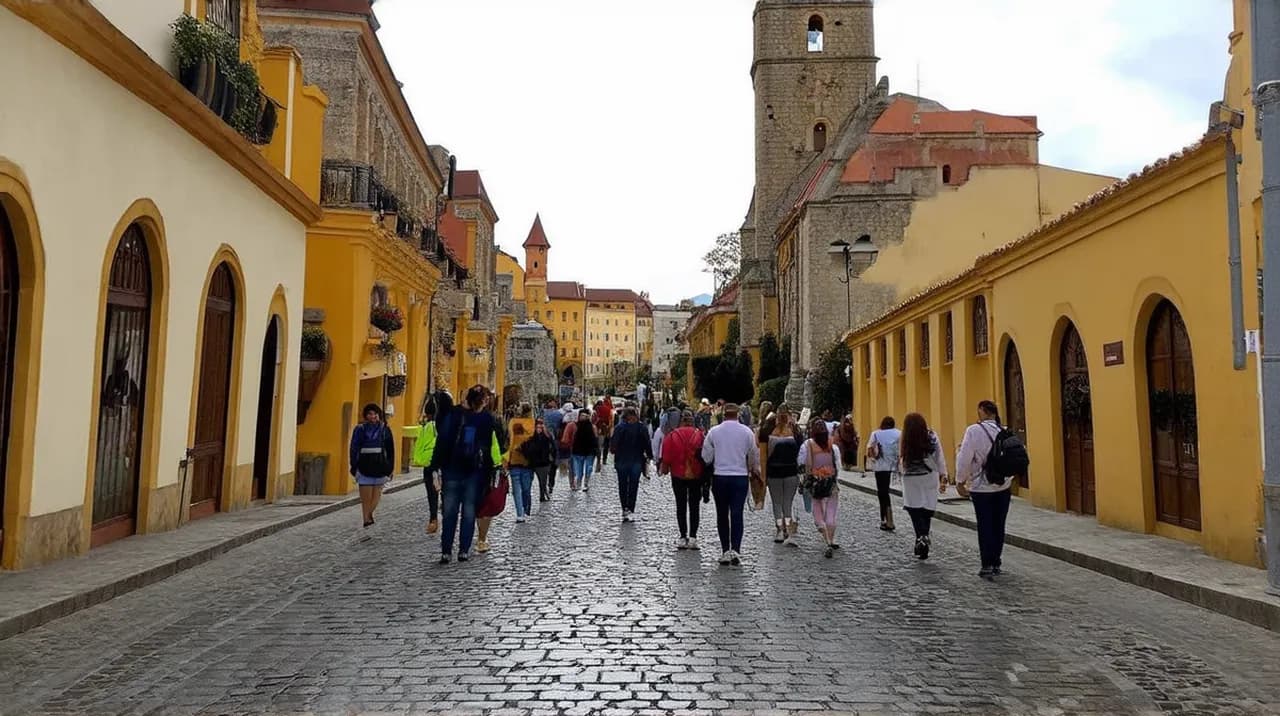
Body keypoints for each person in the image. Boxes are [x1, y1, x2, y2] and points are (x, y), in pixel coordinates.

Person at [431, 385, 501, 563]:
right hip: (473, 471)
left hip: (452, 468)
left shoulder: (454, 415)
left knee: (450, 511)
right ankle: (463, 550)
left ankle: (446, 551)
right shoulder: (486, 418)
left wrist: (435, 466)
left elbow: (442, 440)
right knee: (468, 510)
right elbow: (492, 444)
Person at [955, 400, 1014, 580]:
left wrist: (960, 481)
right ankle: (996, 561)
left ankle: (987, 563)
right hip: (1003, 486)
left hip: (981, 487)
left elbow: (965, 458)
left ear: (982, 411)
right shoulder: (1004, 431)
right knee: (999, 524)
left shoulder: (973, 431)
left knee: (985, 524)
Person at [701, 403, 761, 566]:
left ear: (723, 414)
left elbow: (706, 456)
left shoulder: (714, 432)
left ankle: (725, 549)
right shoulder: (747, 432)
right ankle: (736, 549)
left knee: (722, 514)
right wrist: (755, 470)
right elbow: (754, 454)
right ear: (738, 415)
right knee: (737, 513)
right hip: (740, 476)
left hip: (720, 476)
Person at [349, 403, 395, 541]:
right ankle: (366, 520)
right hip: (364, 465)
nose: (372, 416)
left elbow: (391, 450)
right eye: (369, 413)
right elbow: (354, 447)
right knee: (365, 498)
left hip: (380, 465)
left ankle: (368, 515)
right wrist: (354, 466)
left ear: (378, 415)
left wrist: (390, 467)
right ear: (365, 415)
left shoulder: (385, 429)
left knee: (376, 496)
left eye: (375, 413)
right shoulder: (360, 429)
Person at [660, 410, 706, 550]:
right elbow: (705, 454)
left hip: (678, 473)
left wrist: (665, 468)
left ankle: (682, 536)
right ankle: (693, 536)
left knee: (680, 505)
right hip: (695, 474)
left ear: (680, 421)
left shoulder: (672, 435)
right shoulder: (700, 435)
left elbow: (666, 456)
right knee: (694, 505)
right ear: (692, 421)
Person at [799, 418, 842, 558]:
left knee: (818, 513)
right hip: (831, 482)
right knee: (831, 513)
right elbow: (838, 464)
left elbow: (800, 462)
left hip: (816, 482)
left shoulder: (808, 445)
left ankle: (827, 541)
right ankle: (832, 538)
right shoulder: (833, 446)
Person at [764, 405, 804, 546]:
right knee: (787, 502)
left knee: (777, 502)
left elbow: (764, 452)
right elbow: (801, 452)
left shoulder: (769, 431)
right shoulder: (795, 432)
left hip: (774, 471)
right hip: (790, 471)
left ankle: (781, 530)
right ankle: (786, 528)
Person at [475, 390, 509, 552]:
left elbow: (502, 442)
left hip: (485, 465)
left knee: (484, 502)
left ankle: (481, 537)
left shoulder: (493, 419)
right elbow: (503, 443)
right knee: (484, 502)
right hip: (484, 465)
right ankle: (481, 538)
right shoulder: (494, 420)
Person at [611, 407, 653, 522]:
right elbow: (647, 443)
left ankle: (624, 508)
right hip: (636, 460)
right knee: (633, 486)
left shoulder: (619, 428)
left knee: (623, 485)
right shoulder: (641, 428)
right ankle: (630, 508)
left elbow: (613, 445)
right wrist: (650, 455)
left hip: (622, 461)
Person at [419, 391, 453, 534]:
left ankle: (433, 520)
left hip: (431, 463)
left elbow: (420, 445)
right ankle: (447, 516)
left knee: (432, 493)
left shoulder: (428, 427)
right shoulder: (453, 422)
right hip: (448, 463)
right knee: (447, 492)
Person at [867, 416, 902, 531]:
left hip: (880, 467)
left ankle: (886, 520)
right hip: (895, 466)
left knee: (882, 493)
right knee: (885, 493)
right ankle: (889, 519)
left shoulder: (876, 434)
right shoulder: (899, 433)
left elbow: (869, 450)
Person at [505, 404, 536, 523]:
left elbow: (509, 440)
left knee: (521, 489)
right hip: (523, 461)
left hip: (519, 460)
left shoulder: (514, 422)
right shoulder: (532, 423)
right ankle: (521, 512)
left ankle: (522, 511)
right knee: (523, 489)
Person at [521, 416, 558, 502]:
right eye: (537, 427)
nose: (539, 429)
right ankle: (540, 495)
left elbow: (553, 448)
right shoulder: (531, 438)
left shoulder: (547, 438)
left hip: (544, 463)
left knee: (543, 481)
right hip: (533, 463)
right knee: (531, 481)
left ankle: (542, 495)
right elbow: (525, 447)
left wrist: (552, 459)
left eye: (540, 427)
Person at [566, 409, 599, 491]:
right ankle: (579, 483)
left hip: (588, 452)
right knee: (579, 470)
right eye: (581, 416)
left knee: (588, 469)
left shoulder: (592, 427)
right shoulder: (575, 426)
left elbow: (595, 439)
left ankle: (585, 483)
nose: (582, 418)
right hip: (578, 452)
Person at [542, 399, 564, 487]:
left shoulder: (543, 413)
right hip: (555, 439)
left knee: (545, 461)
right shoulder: (559, 414)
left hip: (544, 439)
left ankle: (545, 482)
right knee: (554, 462)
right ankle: (551, 483)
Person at [594, 398, 615, 469]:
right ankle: (604, 459)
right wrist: (610, 430)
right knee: (606, 445)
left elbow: (594, 420)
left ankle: (598, 460)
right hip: (607, 430)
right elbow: (611, 421)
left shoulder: (596, 409)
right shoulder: (609, 410)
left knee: (599, 446)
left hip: (598, 430)